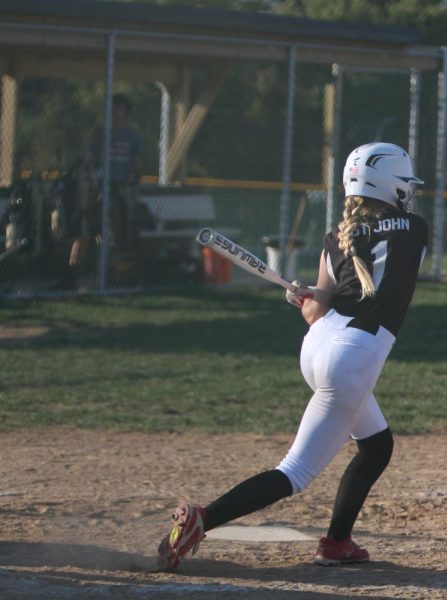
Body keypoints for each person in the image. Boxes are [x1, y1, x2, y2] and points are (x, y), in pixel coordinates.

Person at [156, 142, 428, 570]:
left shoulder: (336, 236)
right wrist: (315, 299)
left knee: (376, 446)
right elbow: (377, 275)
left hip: (320, 346)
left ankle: (337, 542)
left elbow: (317, 310)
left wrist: (304, 299)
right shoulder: (414, 227)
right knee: (294, 473)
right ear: (391, 185)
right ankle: (203, 520)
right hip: (353, 356)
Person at [55, 93, 143, 289]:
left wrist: (132, 187)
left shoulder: (133, 135)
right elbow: (89, 160)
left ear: (126, 111)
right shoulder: (100, 133)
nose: (115, 112)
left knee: (115, 237)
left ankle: (114, 279)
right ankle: (70, 276)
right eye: (113, 107)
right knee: (85, 233)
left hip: (119, 190)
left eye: (119, 108)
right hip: (96, 190)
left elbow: (137, 166)